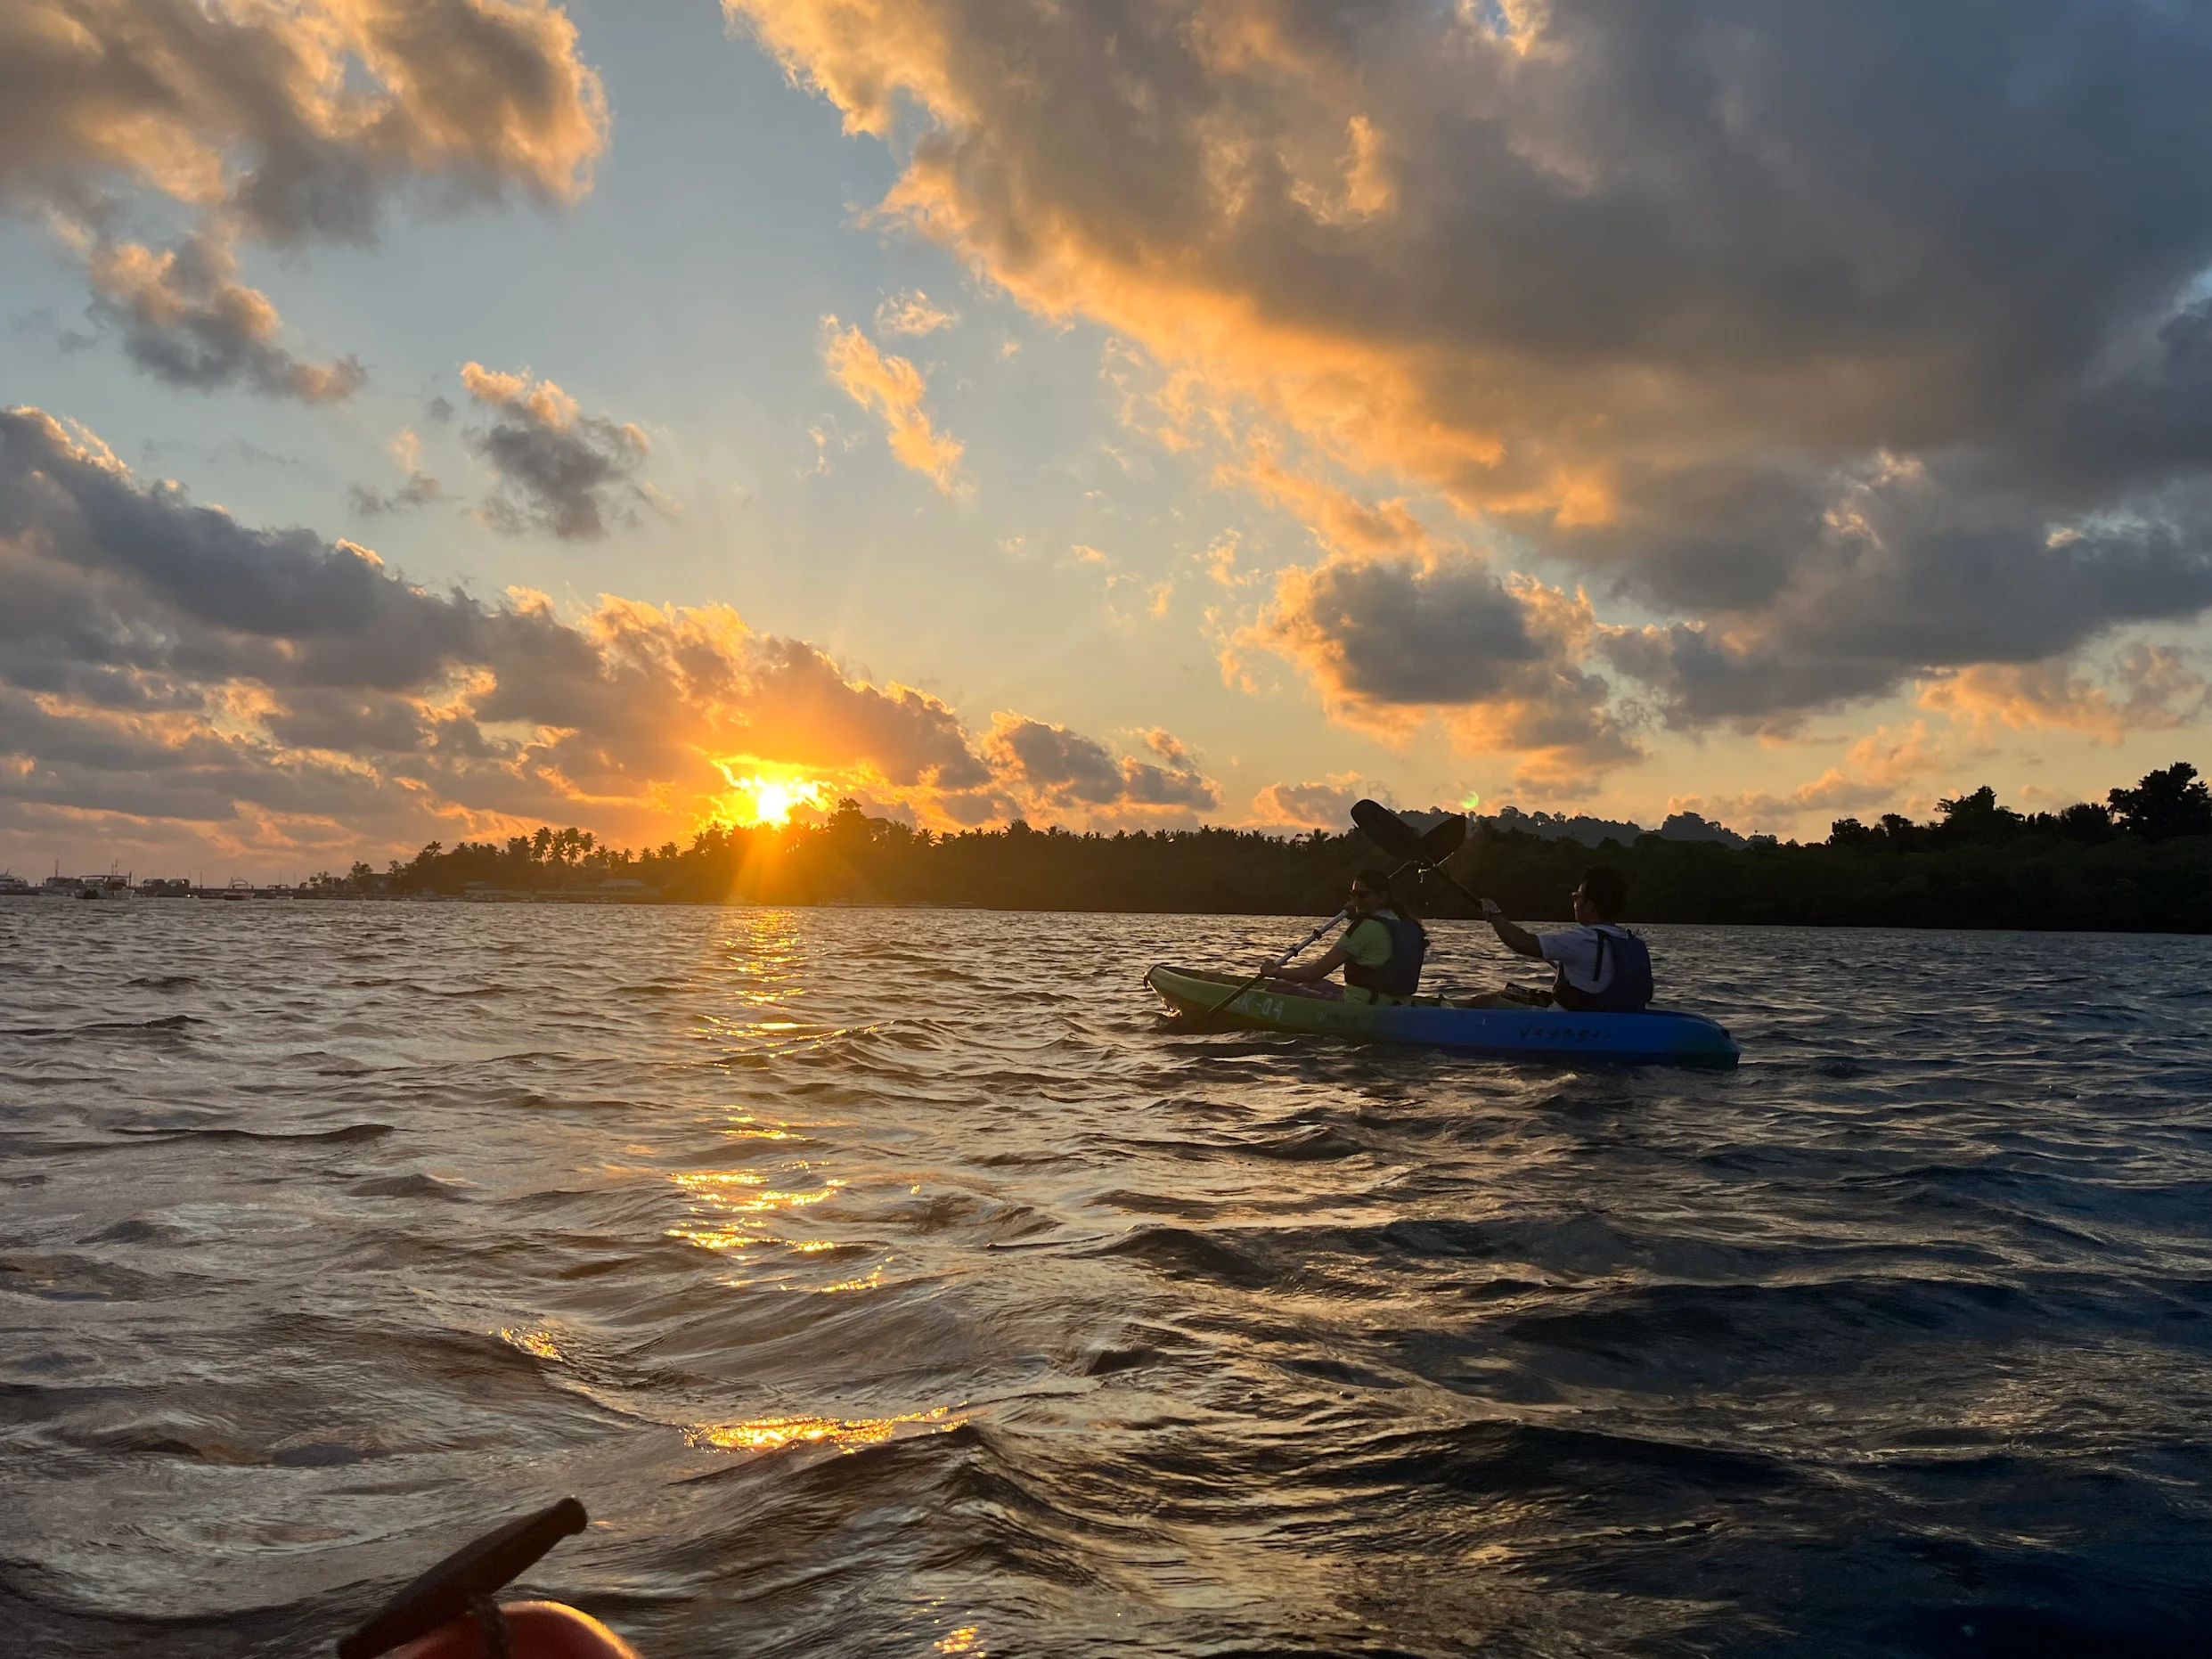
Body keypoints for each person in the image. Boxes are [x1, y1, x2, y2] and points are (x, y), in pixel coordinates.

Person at [1472, 864, 1653, 1011]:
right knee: (1510, 993)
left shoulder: (1582, 939)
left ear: (1588, 906)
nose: (1574, 902)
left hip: (1567, 1024)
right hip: (1617, 1020)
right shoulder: (1633, 943)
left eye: (1576, 897)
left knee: (1482, 1002)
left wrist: (1494, 914)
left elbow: (1521, 942)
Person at [1267, 867, 1427, 1003]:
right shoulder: (1408, 924)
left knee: (1276, 987)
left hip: (1360, 1006)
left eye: (1362, 895)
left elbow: (1313, 972)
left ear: (1382, 897)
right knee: (1311, 985)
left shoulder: (1366, 927)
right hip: (1397, 1004)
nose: (1356, 900)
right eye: (1353, 894)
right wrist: (1359, 909)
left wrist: (1276, 972)